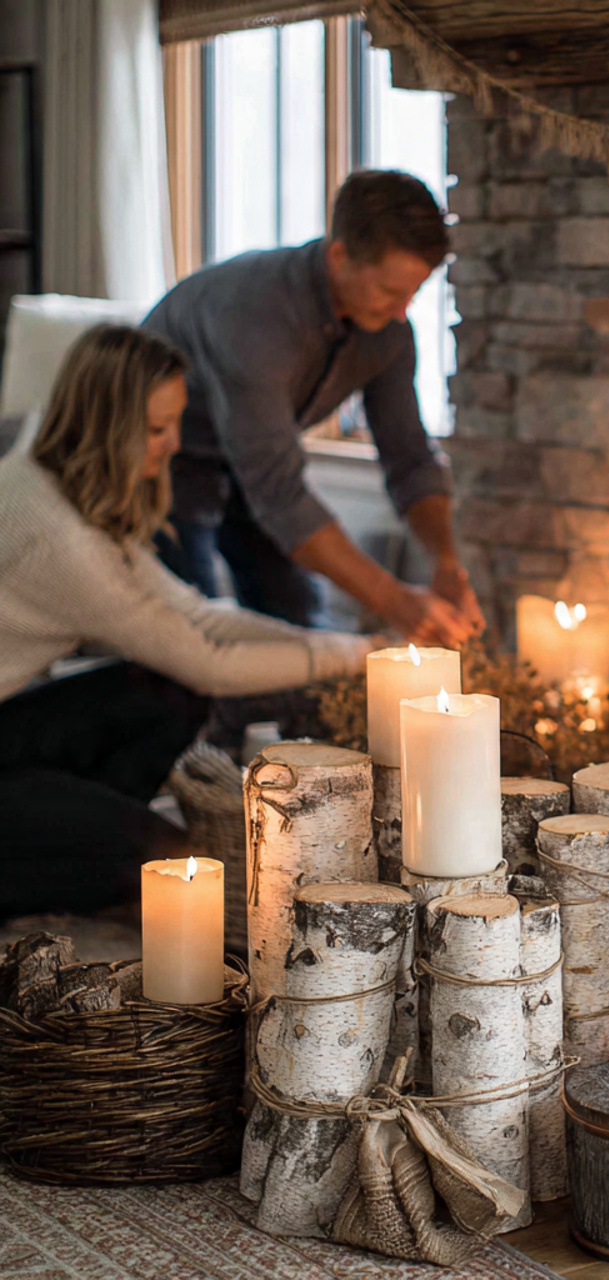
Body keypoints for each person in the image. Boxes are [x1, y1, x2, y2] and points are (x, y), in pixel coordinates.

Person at [0, 324, 375, 918]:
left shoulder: (51, 464)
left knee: (162, 693)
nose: (174, 444)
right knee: (164, 855)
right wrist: (361, 656)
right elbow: (210, 664)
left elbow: (197, 616)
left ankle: (66, 827)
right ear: (105, 427)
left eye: (175, 422)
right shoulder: (62, 541)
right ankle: (60, 845)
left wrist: (347, 646)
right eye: (156, 429)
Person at [145, 168, 483, 647]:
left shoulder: (388, 330)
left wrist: (447, 562)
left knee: (300, 621)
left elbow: (409, 458)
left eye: (415, 292)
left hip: (252, 462)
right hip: (159, 461)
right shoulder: (256, 318)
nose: (402, 311)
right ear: (339, 256)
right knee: (188, 633)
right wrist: (393, 600)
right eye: (391, 291)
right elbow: (281, 495)